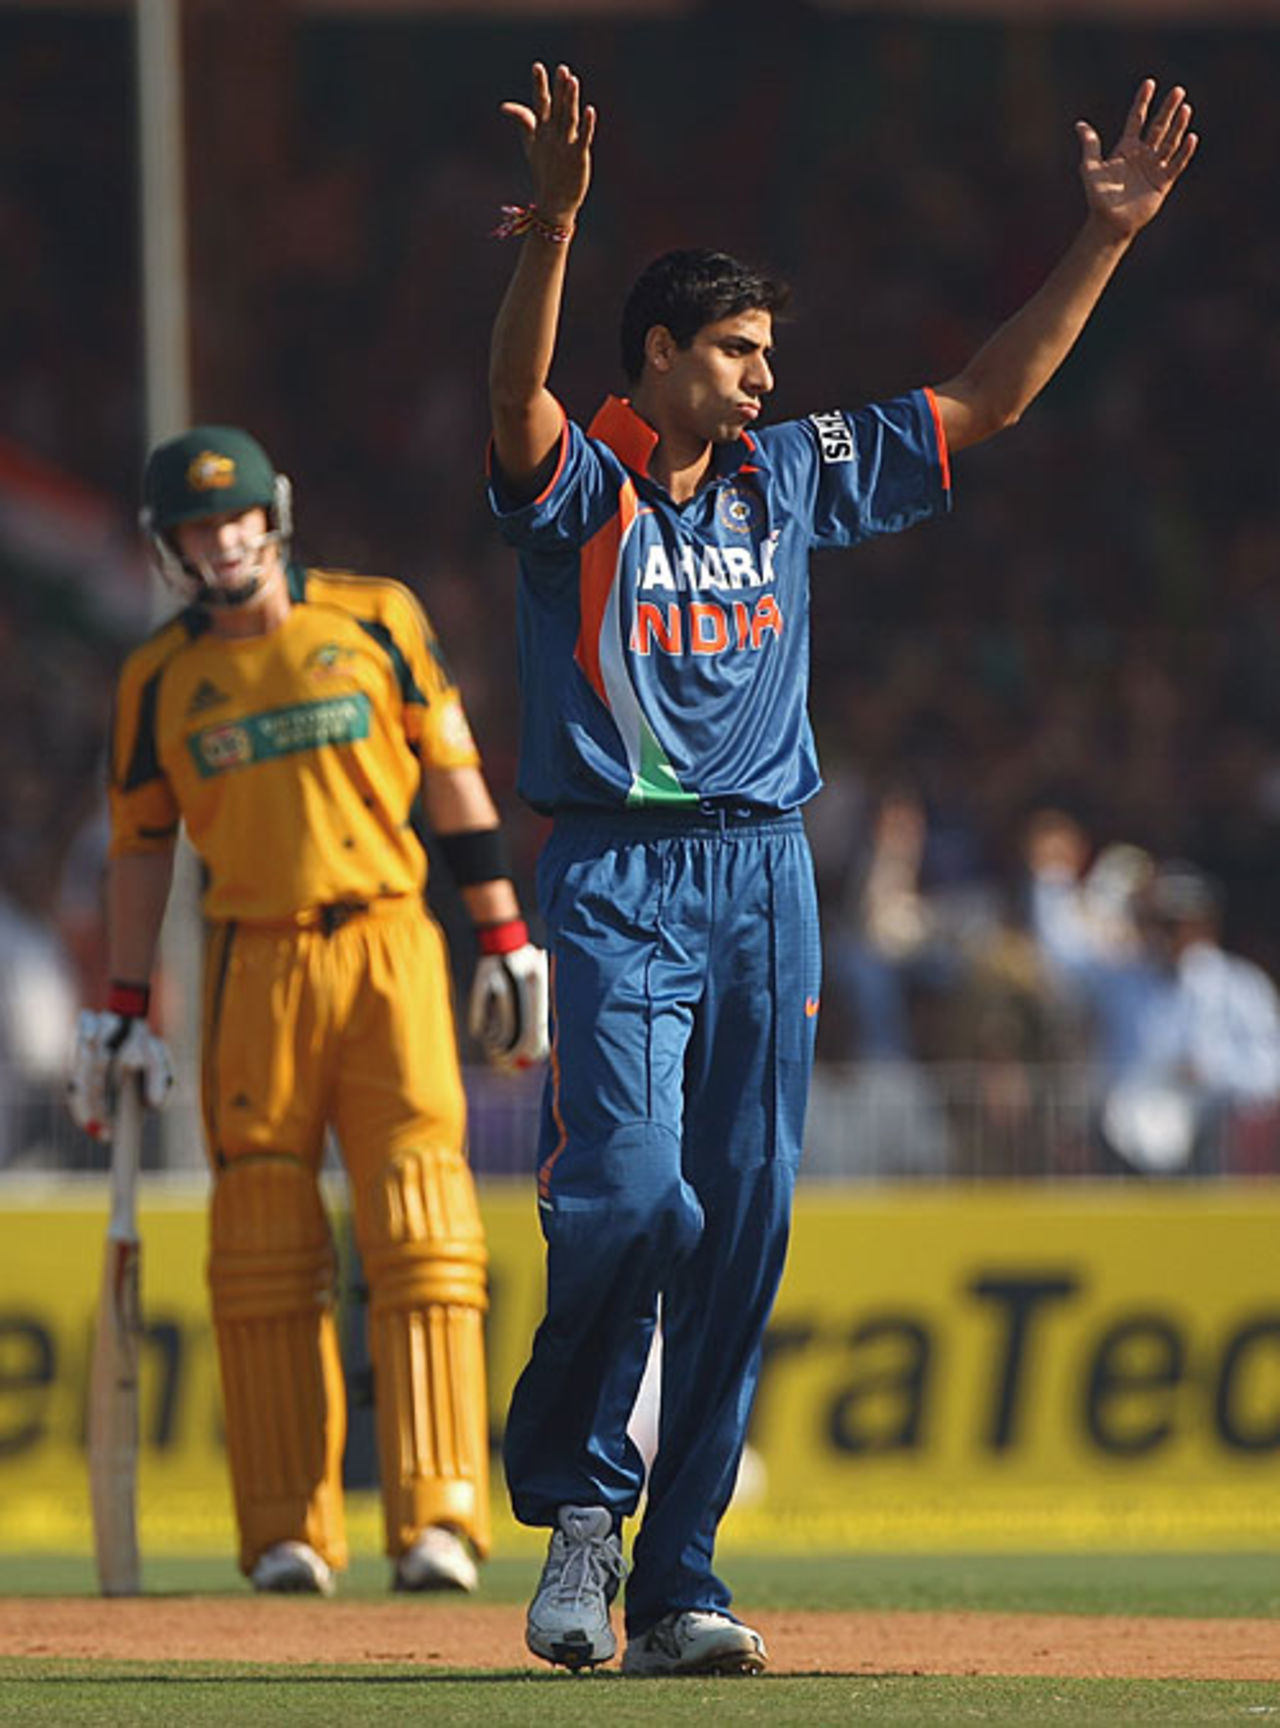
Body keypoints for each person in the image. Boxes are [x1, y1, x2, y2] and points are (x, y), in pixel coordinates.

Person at [486, 61, 1196, 1676]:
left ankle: (677, 1580)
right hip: (614, 872)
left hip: (764, 878)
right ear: (658, 354)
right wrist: (548, 233)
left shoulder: (791, 471)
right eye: (736, 351)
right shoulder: (583, 486)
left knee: (742, 1222)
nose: (763, 374)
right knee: (629, 1191)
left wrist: (1105, 240)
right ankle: (583, 1507)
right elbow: (511, 403)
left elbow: (987, 401)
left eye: (767, 353)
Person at [68, 424, 547, 1596]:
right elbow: (139, 851)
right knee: (263, 1250)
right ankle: (289, 1530)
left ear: (272, 514)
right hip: (253, 963)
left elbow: (452, 777)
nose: (221, 541)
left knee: (423, 1233)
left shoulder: (376, 618)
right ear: (169, 547)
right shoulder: (158, 680)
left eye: (233, 519)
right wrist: (127, 1007)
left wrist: (504, 935)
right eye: (195, 527)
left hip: (389, 943)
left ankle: (439, 1518)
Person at [1026, 820, 1280, 1173]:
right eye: (1159, 922)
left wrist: (1215, 1069)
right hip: (1121, 1135)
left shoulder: (1239, 986)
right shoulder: (1121, 976)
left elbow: (1271, 1067)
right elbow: (1061, 960)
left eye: (1179, 923)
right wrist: (1052, 879)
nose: (1168, 935)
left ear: (1205, 924)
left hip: (1209, 1137)